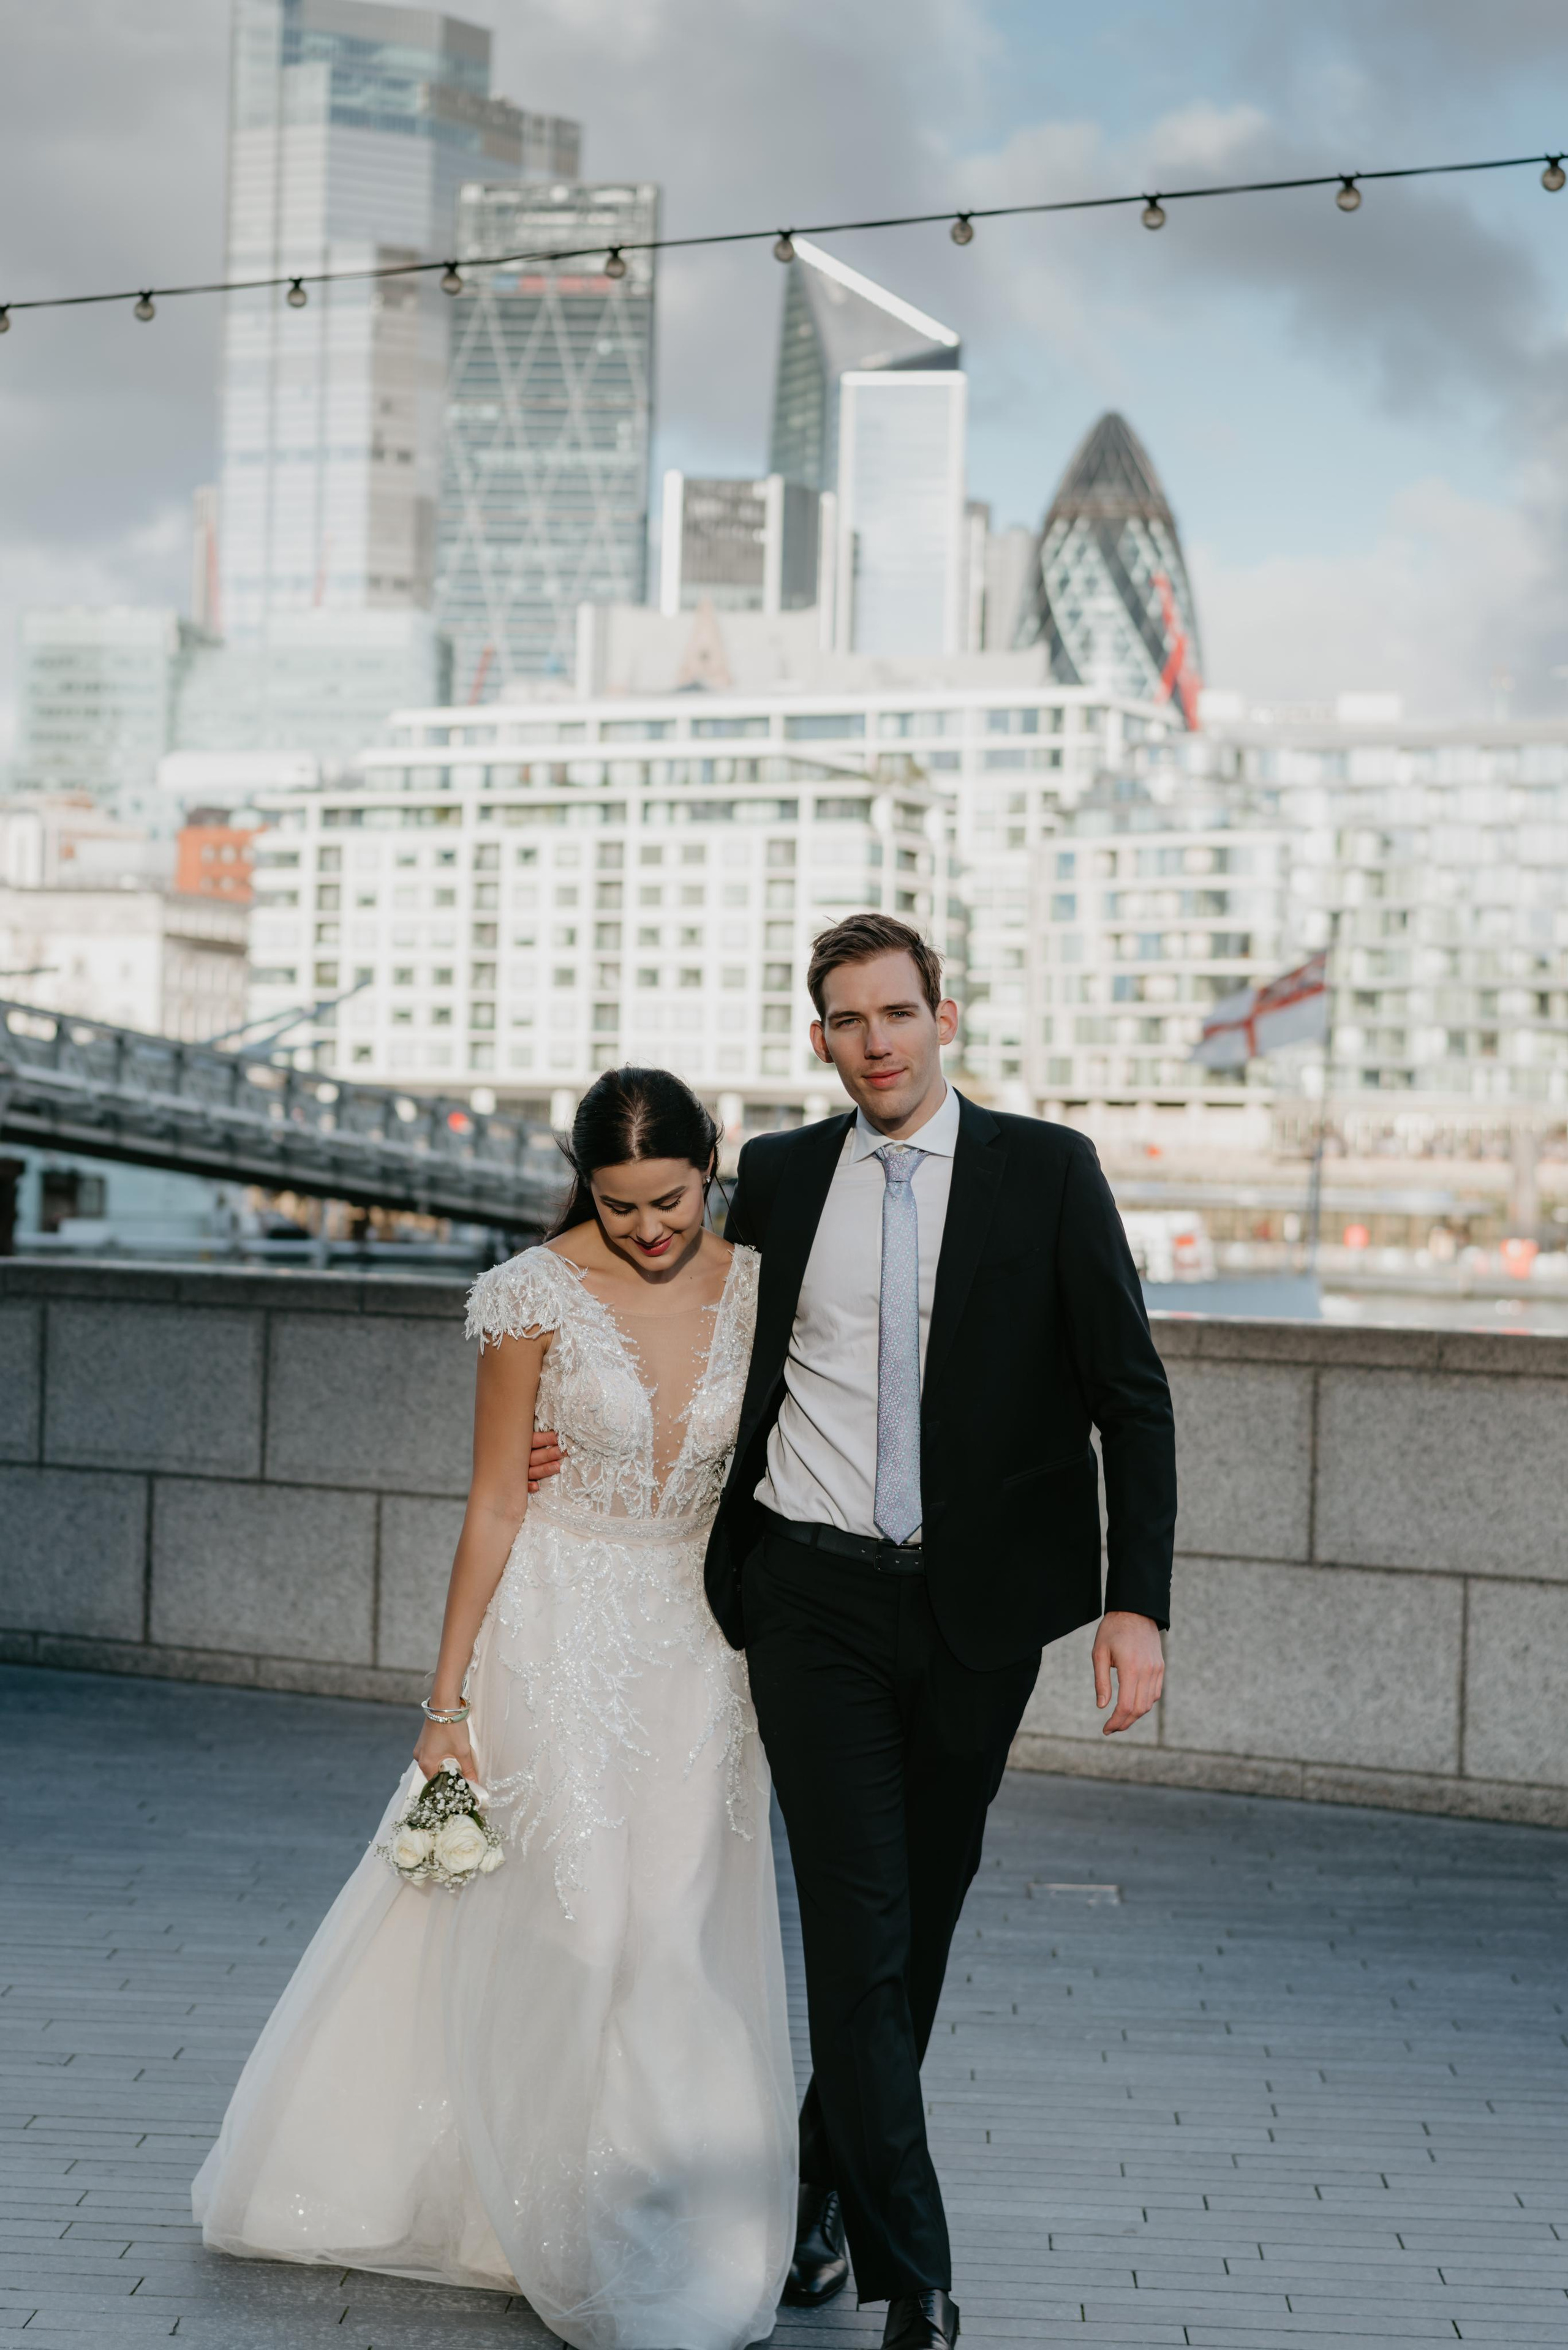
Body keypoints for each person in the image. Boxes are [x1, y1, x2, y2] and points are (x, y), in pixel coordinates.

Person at [529, 913, 1177, 2350]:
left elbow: (1128, 1393)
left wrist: (1135, 1599)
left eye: (896, 1012)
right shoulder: (773, 1176)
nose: (874, 1040)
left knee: (914, 1926)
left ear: (944, 1014)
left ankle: (824, 2183)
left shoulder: (1049, 1172)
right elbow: (652, 1285)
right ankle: (916, 2276)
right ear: (814, 1036)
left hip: (976, 1611)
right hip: (808, 1597)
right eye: (846, 1018)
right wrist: (553, 1421)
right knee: (856, 1923)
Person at [193, 1068, 796, 2350]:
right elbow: (492, 1501)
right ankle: (549, 2214)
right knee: (578, 1918)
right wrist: (444, 1699)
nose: (648, 1227)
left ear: (712, 1165)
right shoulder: (526, 1294)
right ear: (584, 1182)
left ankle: (679, 2212)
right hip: (557, 1623)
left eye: (671, 1198)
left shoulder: (759, 1282)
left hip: (699, 1642)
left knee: (674, 1928)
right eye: (620, 1202)